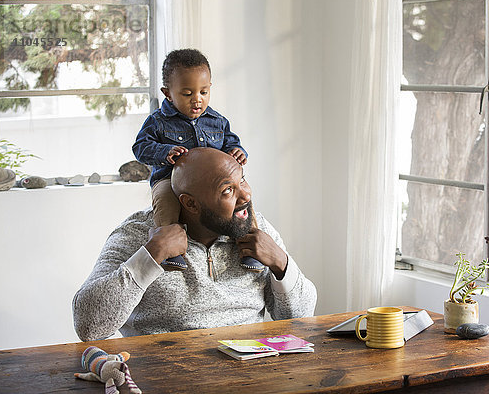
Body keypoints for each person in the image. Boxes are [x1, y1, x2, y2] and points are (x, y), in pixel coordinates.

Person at [72, 148, 317, 342]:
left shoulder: (256, 227)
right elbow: (88, 326)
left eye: (242, 181)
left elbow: (300, 320)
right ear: (190, 204)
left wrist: (281, 263)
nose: (246, 196)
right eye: (228, 190)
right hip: (164, 380)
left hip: (247, 376)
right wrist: (150, 256)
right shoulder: (137, 233)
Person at [132, 48, 247, 271]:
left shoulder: (217, 121)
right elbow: (140, 148)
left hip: (214, 185)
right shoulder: (158, 121)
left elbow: (231, 143)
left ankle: (249, 243)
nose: (197, 99)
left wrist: (237, 151)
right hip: (170, 181)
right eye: (187, 94)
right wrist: (164, 152)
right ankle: (170, 249)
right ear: (168, 93)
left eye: (203, 92)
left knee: (244, 197)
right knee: (165, 202)